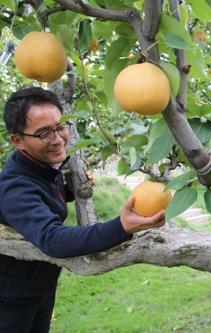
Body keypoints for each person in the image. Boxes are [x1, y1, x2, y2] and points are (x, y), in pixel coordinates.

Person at [0, 87, 166, 333]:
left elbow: (40, 201)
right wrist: (122, 226)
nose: (57, 139)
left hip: (39, 287)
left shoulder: (40, 166)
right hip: (10, 300)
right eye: (44, 133)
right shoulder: (14, 187)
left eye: (60, 127)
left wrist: (69, 190)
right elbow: (53, 239)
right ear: (17, 140)